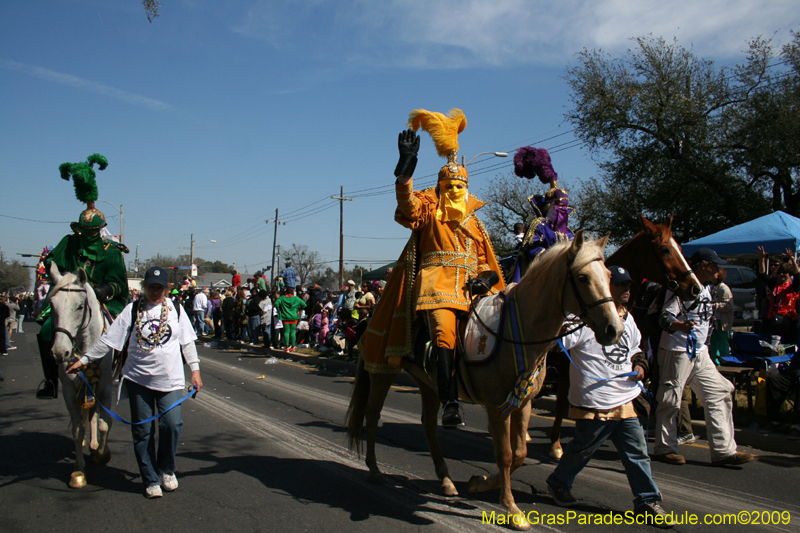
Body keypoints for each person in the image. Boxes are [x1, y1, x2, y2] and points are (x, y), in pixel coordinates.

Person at [360, 109, 504, 428]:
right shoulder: (429, 210)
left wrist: (486, 279)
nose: (455, 191)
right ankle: (450, 401)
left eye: (460, 186)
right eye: (449, 185)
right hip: (437, 290)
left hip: (473, 293)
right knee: (444, 332)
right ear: (440, 187)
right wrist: (405, 170)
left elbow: (487, 264)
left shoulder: (475, 224)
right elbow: (407, 207)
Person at [546, 266, 671, 525]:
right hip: (595, 400)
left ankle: (647, 501)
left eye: (629, 286)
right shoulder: (581, 321)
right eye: (622, 286)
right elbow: (556, 345)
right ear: (605, 287)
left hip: (625, 399)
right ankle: (559, 482)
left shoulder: (628, 318)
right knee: (582, 450)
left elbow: (635, 349)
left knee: (637, 453)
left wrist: (640, 366)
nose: (627, 290)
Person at [66, 266, 202, 499]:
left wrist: (195, 371)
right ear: (144, 288)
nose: (155, 292)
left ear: (167, 288)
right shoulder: (132, 310)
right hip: (138, 379)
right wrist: (85, 360)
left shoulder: (176, 309)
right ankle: (150, 478)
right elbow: (108, 340)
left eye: (160, 288)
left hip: (170, 380)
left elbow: (187, 343)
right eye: (151, 287)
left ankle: (167, 469)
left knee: (172, 424)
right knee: (143, 430)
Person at [37, 154, 130, 399]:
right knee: (47, 328)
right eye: (85, 231)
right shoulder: (69, 243)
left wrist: (103, 290)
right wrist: (52, 267)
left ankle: (125, 371)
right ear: (78, 229)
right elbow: (52, 263)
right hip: (70, 297)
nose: (89, 235)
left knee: (126, 329)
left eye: (93, 231)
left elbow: (119, 285)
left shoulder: (111, 252)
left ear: (100, 229)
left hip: (103, 300)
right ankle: (50, 380)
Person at [652, 247, 753, 466]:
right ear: (704, 266)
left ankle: (724, 451)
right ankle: (664, 448)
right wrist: (681, 326)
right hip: (676, 351)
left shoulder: (705, 288)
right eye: (715, 265)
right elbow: (665, 318)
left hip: (700, 353)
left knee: (720, 391)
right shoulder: (682, 288)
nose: (719, 269)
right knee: (671, 399)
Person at [757, 246, 800, 343]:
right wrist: (761, 259)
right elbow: (763, 274)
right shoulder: (775, 286)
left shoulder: (793, 287)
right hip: (773, 320)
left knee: (787, 345)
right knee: (770, 345)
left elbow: (797, 275)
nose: (781, 275)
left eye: (784, 272)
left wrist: (792, 259)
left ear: (789, 274)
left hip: (788, 321)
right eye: (780, 272)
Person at [274, 287, 306, 352]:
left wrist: (280, 309)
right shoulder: (296, 298)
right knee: (292, 332)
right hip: (294, 317)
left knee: (286, 332)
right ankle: (293, 346)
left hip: (285, 317)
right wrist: (298, 310)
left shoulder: (282, 298)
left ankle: (287, 347)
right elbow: (304, 305)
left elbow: (275, 304)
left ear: (286, 292)